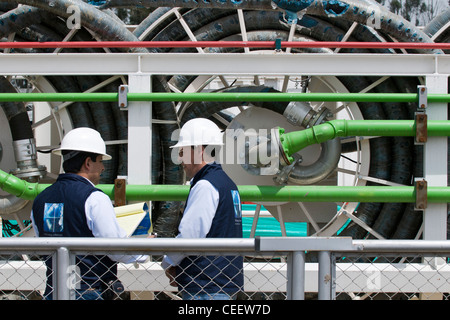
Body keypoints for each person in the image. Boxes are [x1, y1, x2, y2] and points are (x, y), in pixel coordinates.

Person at [31, 127, 147, 300]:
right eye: (100, 161)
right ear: (87, 162)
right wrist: (143, 250)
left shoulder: (41, 199)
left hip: (54, 291)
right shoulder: (94, 198)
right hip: (89, 290)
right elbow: (115, 247)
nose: (103, 168)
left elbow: (43, 242)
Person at [162, 118, 244, 300]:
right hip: (224, 282)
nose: (180, 159)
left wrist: (168, 262)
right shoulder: (228, 184)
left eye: (183, 151)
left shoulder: (205, 186)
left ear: (198, 150)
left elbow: (190, 236)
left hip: (205, 286)